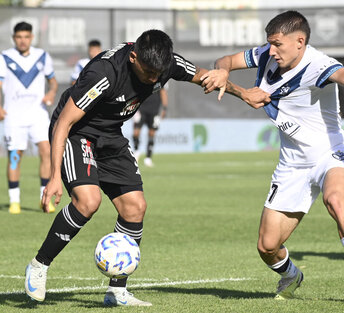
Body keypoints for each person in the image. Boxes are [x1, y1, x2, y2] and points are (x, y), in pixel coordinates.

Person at [201, 10, 344, 302]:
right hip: (292, 163)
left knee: (334, 198)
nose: (271, 50)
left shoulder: (318, 64)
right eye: (269, 43)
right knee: (267, 246)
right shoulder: (267, 53)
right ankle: (292, 275)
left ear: (300, 41)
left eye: (277, 45)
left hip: (329, 152)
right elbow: (227, 61)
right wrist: (222, 70)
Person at [25, 29, 208, 307]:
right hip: (77, 132)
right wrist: (53, 178)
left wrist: (243, 93)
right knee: (88, 201)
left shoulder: (164, 62)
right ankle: (39, 265)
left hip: (110, 135)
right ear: (133, 57)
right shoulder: (104, 74)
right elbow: (63, 122)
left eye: (158, 73)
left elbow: (205, 76)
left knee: (135, 207)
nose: (153, 79)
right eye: (148, 72)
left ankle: (117, 291)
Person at [0, 21, 58, 214]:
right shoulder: (4, 57)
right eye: (19, 37)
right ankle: (14, 201)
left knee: (46, 153)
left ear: (31, 37)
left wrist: (51, 93)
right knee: (15, 157)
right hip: (13, 117)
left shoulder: (42, 56)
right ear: (14, 38)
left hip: (38, 115)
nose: (22, 41)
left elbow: (53, 82)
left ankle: (45, 200)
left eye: (26, 37)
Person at [132, 87, 168, 167]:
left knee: (152, 134)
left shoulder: (159, 78)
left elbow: (163, 93)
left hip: (154, 110)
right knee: (136, 132)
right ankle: (137, 151)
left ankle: (148, 158)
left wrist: (164, 108)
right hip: (140, 109)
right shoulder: (142, 76)